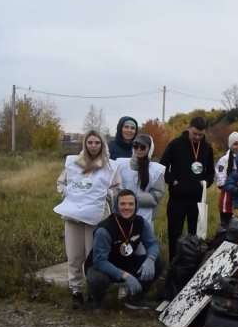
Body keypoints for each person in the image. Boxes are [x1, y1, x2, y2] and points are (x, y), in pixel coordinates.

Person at [55, 130, 118, 309]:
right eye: (90, 142)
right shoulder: (74, 163)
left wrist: (108, 194)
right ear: (85, 144)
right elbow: (61, 183)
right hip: (74, 216)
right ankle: (76, 291)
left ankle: (94, 292)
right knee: (74, 255)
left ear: (102, 144)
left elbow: (117, 188)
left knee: (93, 256)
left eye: (96, 142)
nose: (93, 146)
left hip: (96, 217)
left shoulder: (110, 167)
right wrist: (67, 192)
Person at [85, 190, 162, 310]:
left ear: (136, 206)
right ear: (116, 206)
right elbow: (100, 261)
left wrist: (150, 259)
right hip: (104, 267)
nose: (127, 207)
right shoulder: (104, 229)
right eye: (123, 204)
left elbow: (152, 244)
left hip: (126, 263)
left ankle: (135, 298)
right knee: (97, 278)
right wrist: (125, 276)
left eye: (131, 204)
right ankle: (96, 302)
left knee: (158, 262)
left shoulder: (140, 222)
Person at [159, 116, 215, 261]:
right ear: (189, 128)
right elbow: (162, 166)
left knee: (195, 236)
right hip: (177, 199)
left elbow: (211, 173)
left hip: (197, 201)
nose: (197, 137)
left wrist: (205, 183)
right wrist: (172, 181)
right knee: (175, 234)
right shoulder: (176, 144)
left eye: (200, 135)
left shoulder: (207, 148)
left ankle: (192, 265)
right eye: (194, 133)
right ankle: (173, 264)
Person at [113, 134, 166, 230]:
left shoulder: (156, 170)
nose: (138, 149)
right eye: (136, 146)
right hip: (122, 212)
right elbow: (114, 187)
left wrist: (134, 199)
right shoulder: (120, 165)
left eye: (142, 147)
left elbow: (157, 194)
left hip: (145, 214)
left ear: (149, 149)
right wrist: (124, 201)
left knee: (142, 242)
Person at [215, 132, 238, 229]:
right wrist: (234, 185)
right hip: (227, 196)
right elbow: (220, 178)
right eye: (235, 144)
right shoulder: (224, 160)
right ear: (230, 145)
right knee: (227, 225)